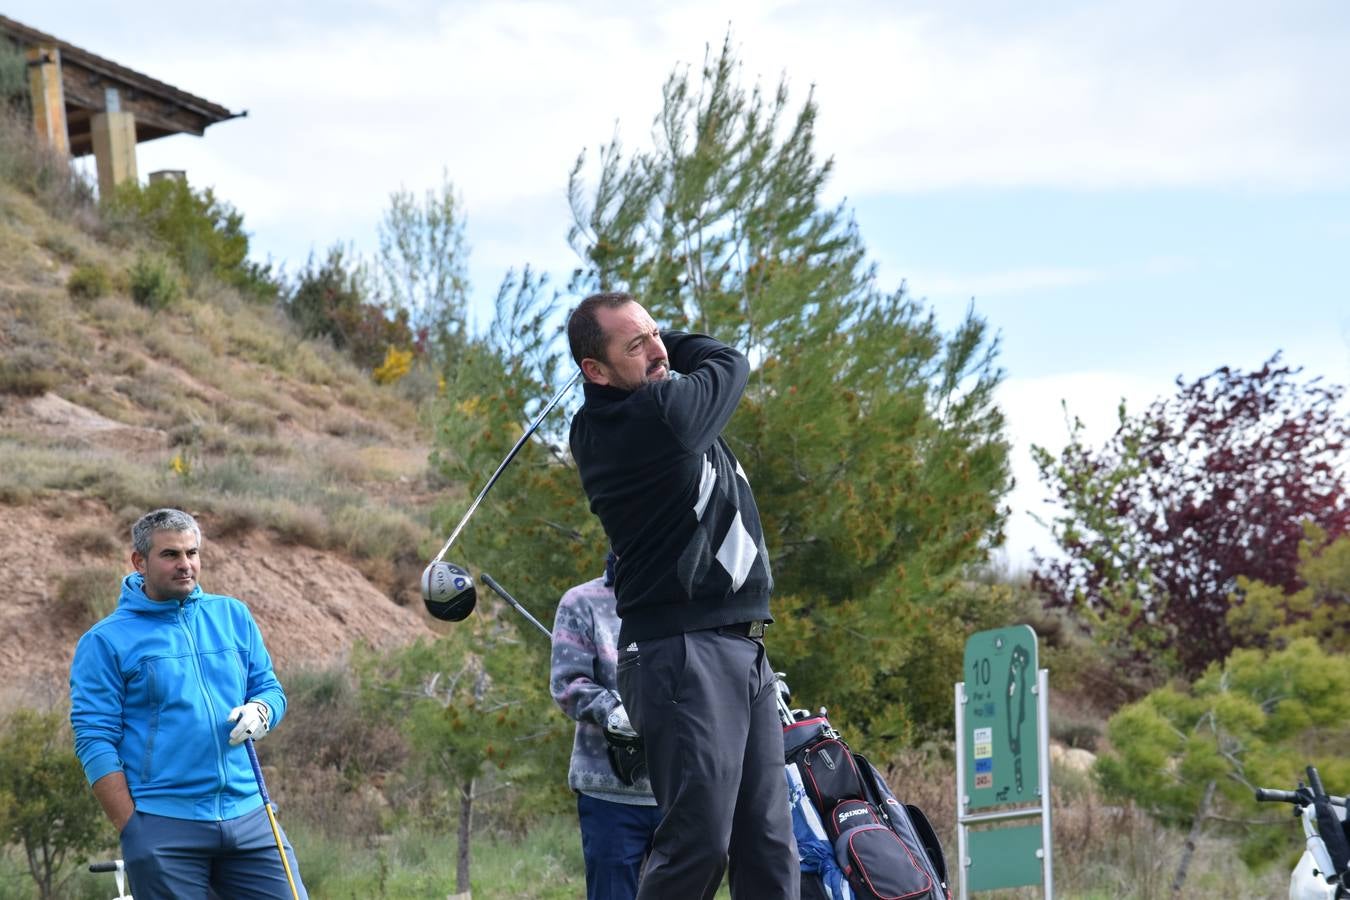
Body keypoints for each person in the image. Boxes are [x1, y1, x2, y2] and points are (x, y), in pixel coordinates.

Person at [566, 292, 799, 900]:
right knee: (698, 844)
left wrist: (651, 341)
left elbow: (688, 362)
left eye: (655, 335)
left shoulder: (646, 402)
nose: (657, 349)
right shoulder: (652, 418)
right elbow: (729, 362)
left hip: (742, 646)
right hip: (682, 649)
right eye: (634, 344)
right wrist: (672, 345)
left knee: (770, 846)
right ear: (595, 370)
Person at [70, 508, 307, 900]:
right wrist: (133, 827)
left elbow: (269, 688)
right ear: (139, 561)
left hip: (251, 815)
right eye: (170, 555)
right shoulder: (105, 641)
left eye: (192, 553)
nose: (185, 565)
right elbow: (95, 740)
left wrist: (263, 710)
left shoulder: (233, 615)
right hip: (164, 825)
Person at [550, 552, 661, 900]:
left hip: (676, 793)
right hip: (609, 797)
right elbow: (567, 684)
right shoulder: (579, 603)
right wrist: (613, 712)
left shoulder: (682, 605)